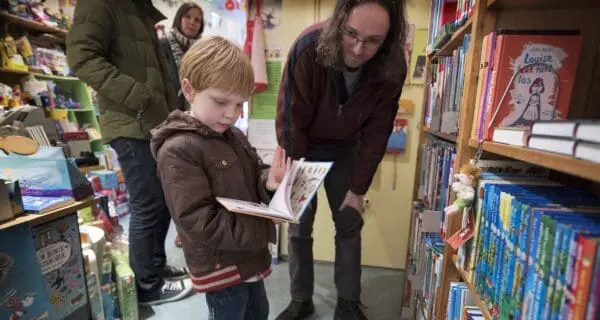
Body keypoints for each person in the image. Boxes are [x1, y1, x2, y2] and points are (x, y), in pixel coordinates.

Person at [275, 0, 408, 319]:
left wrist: (358, 189)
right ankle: (300, 299)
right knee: (298, 228)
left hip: (348, 149)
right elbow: (292, 118)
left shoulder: (392, 65)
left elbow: (378, 132)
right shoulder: (308, 48)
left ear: (388, 39)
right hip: (302, 147)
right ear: (339, 23)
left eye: (373, 41)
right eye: (351, 34)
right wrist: (293, 172)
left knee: (349, 223)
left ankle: (348, 303)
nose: (359, 49)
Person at [150, 35, 288, 320]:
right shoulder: (178, 150)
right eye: (221, 101)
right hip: (220, 267)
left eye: (239, 105)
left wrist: (269, 182)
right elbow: (195, 218)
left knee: (258, 312)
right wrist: (259, 229)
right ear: (189, 90)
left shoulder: (233, 135)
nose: (231, 114)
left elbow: (253, 176)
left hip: (248, 257)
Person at [66, 0, 192, 305]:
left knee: (160, 201)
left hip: (153, 122)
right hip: (131, 123)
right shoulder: (103, 4)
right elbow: (81, 56)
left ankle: (154, 268)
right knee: (147, 203)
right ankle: (147, 287)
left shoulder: (138, 9)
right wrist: (138, 96)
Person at [160, 1, 205, 248]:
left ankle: (187, 230)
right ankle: (181, 228)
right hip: (170, 118)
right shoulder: (164, 45)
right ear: (179, 18)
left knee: (193, 177)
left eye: (197, 20)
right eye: (188, 17)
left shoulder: (202, 51)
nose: (191, 22)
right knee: (175, 177)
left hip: (195, 120)